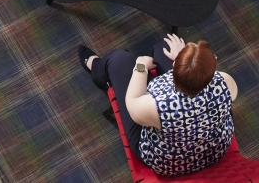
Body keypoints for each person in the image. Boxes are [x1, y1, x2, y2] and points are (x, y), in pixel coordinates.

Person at [78, 33, 238, 176]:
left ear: (175, 66)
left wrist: (140, 67)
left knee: (120, 59)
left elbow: (132, 105)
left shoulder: (157, 107)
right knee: (165, 47)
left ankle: (98, 69)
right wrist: (188, 64)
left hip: (169, 163)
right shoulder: (226, 82)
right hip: (214, 151)